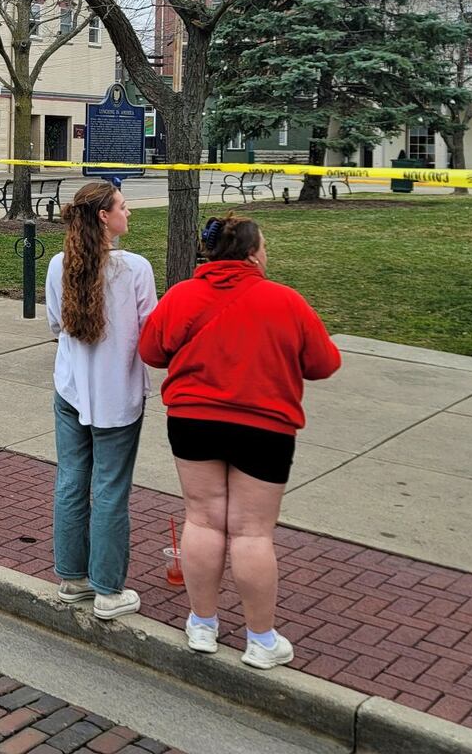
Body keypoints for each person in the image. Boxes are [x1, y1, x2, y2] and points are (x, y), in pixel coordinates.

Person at [139, 215, 342, 670]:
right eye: (265, 246)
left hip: (193, 420)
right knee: (252, 532)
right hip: (265, 426)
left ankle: (202, 624)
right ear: (252, 253)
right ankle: (260, 639)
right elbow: (324, 363)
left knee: (203, 520)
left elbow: (151, 351)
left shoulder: (182, 296)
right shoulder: (285, 301)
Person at [45, 182, 157, 621]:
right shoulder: (135, 270)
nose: (128, 214)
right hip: (118, 394)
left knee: (72, 479)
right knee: (110, 488)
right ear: (103, 217)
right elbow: (150, 333)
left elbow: (56, 324)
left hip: (71, 387)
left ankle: (73, 577)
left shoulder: (59, 265)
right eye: (123, 208)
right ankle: (109, 589)